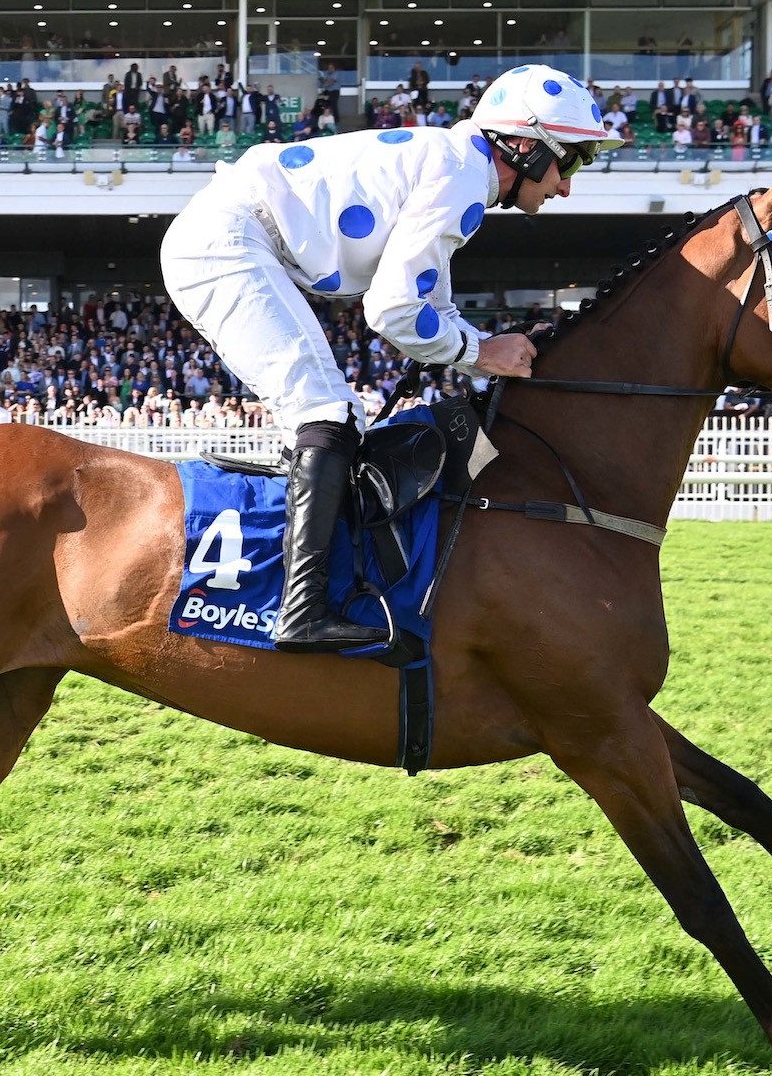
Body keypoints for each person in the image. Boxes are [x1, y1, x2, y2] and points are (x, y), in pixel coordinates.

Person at [160, 65, 622, 652]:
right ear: (525, 146)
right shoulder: (460, 175)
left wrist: (486, 350)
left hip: (230, 235)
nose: (566, 188)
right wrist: (482, 352)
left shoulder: (458, 164)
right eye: (570, 163)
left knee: (335, 414)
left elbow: (432, 304)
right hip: (226, 242)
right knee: (326, 412)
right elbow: (394, 310)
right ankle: (302, 613)